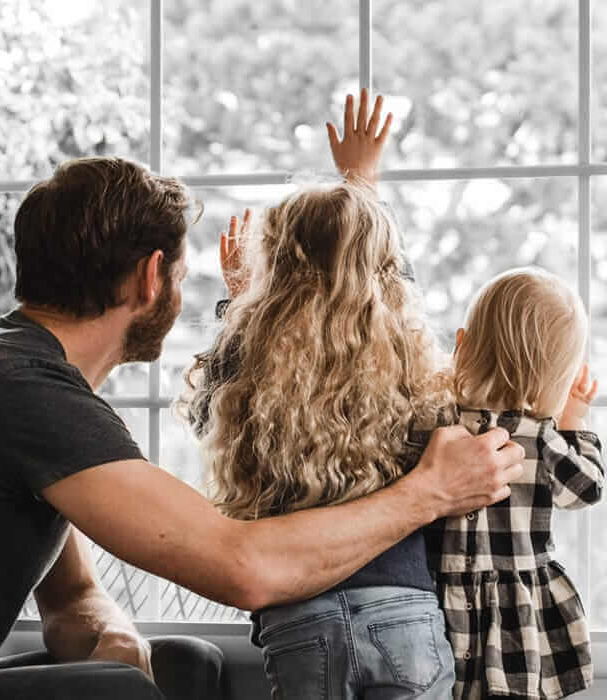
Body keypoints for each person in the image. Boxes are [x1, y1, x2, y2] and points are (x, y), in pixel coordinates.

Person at [0, 104, 527, 698]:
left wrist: (114, 638)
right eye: (180, 271)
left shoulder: (9, 384)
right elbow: (245, 570)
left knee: (181, 666)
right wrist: (429, 491)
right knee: (115, 695)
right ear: (149, 278)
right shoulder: (24, 396)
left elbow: (71, 599)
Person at [181, 90, 458, 699]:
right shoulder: (406, 354)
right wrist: (362, 183)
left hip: (299, 618)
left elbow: (209, 416)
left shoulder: (250, 355)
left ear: (272, 266)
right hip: (402, 612)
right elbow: (377, 276)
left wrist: (239, 307)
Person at [431, 268, 607, 699]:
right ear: (558, 378)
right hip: (515, 613)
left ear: (464, 346)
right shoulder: (542, 438)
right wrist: (574, 422)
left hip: (439, 602)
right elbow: (585, 489)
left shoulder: (439, 426)